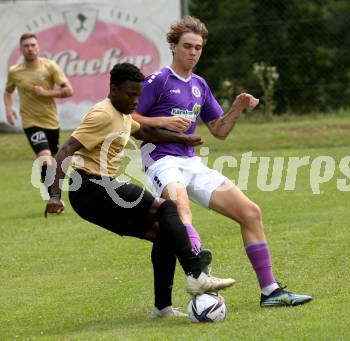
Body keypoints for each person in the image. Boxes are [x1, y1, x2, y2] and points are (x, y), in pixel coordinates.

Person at [133, 16, 312, 307]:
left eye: (198, 48)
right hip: (160, 159)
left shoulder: (200, 85)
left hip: (191, 162)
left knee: (251, 212)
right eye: (188, 46)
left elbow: (219, 130)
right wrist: (164, 121)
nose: (193, 52)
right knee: (181, 209)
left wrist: (238, 108)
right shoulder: (158, 80)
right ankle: (198, 273)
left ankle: (270, 292)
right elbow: (130, 118)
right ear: (174, 47)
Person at [44, 62, 235, 318]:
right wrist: (54, 195)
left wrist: (183, 139)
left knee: (165, 234)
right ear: (113, 89)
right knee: (167, 207)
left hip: (97, 196)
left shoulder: (122, 113)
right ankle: (196, 274)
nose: (136, 101)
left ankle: (163, 308)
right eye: (130, 94)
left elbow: (145, 131)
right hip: (91, 187)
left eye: (138, 95)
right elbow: (65, 150)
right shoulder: (102, 114)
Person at [4, 32, 74, 194]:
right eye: (26, 46)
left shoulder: (50, 67)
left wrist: (46, 93)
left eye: (33, 45)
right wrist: (9, 110)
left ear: (38, 48)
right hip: (30, 122)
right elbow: (8, 92)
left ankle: (49, 183)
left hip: (51, 121)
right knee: (44, 158)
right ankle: (54, 199)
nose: (30, 49)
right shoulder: (15, 71)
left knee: (52, 162)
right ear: (21, 49)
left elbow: (69, 91)